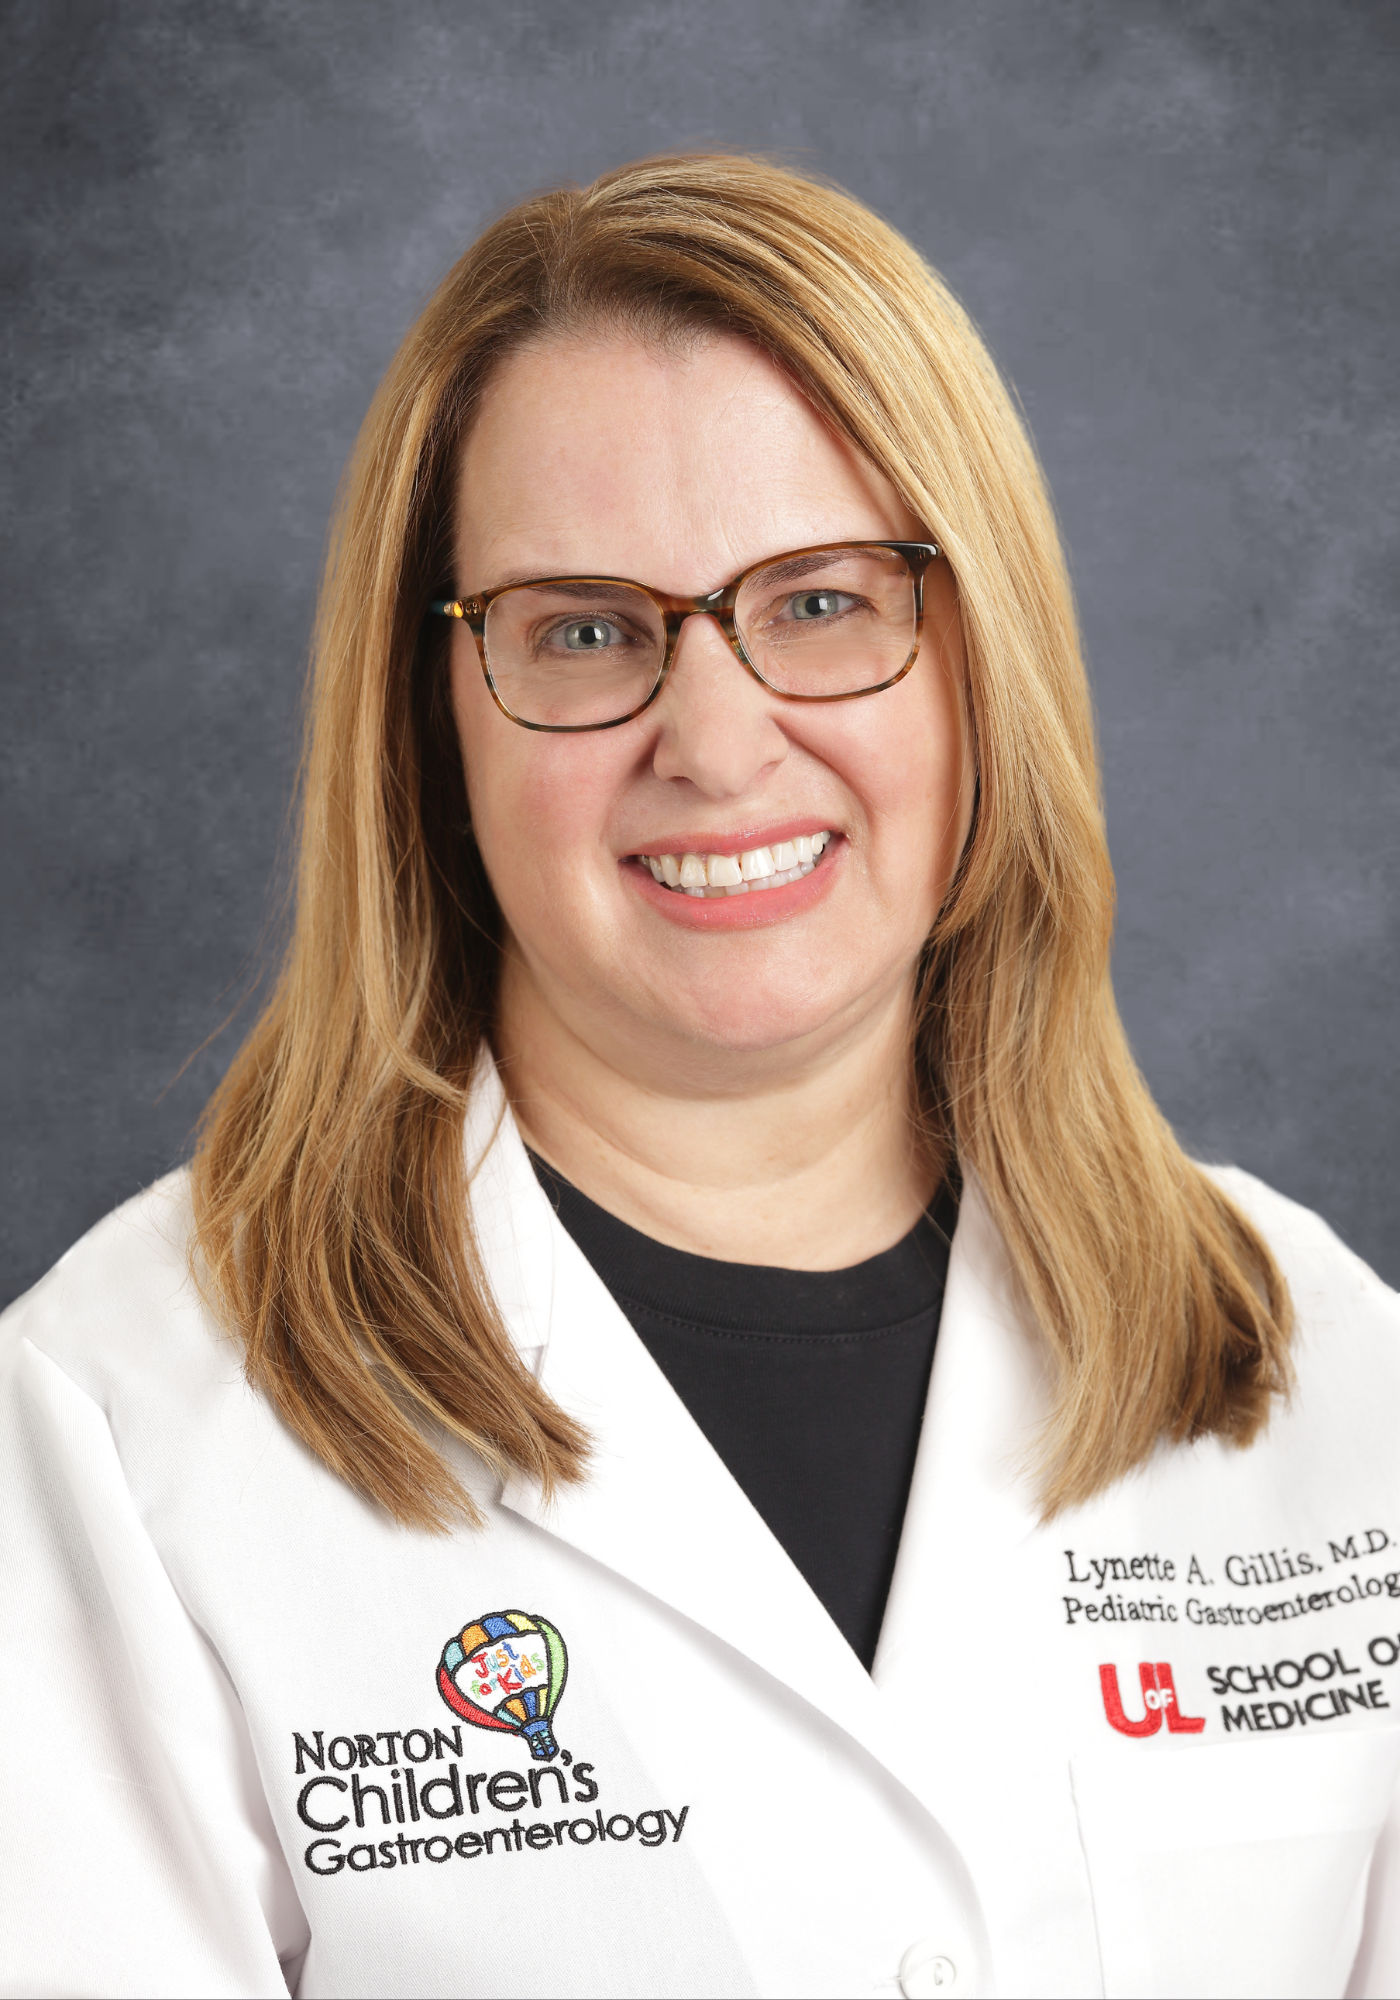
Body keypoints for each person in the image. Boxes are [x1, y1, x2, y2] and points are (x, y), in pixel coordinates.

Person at [1, 152, 1396, 2000]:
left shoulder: (1326, 1369)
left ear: (983, 658)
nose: (720, 746)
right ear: (431, 720)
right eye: (585, 631)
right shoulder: (112, 1436)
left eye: (822, 602)